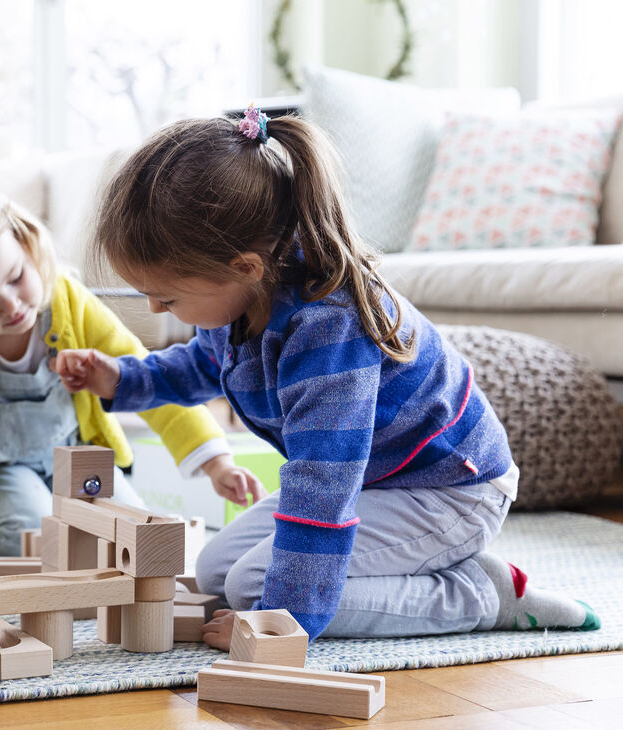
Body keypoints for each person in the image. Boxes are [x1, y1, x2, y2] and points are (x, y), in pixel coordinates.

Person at [55, 107, 600, 646]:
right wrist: (122, 380)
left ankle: (481, 594)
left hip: (450, 492)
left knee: (251, 587)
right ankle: (416, 573)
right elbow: (206, 366)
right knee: (218, 568)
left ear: (245, 266)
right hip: (377, 479)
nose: (154, 310)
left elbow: (322, 484)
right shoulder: (246, 294)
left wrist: (279, 623)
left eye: (167, 297)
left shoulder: (329, 330)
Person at [0, 175, 265, 556]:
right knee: (35, 532)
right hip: (2, 475)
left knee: (134, 528)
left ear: (27, 244)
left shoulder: (67, 301)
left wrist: (215, 461)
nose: (12, 306)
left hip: (80, 456)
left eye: (17, 277)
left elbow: (148, 378)